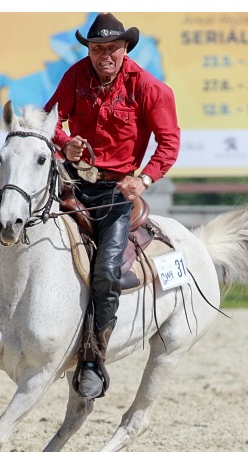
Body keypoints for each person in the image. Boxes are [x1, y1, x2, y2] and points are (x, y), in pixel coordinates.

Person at [43, 12, 180, 399]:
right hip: (72, 183)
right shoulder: (74, 76)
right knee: (25, 232)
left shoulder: (149, 88)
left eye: (111, 48)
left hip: (116, 195)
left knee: (105, 271)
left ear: (125, 49)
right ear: (88, 49)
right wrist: (61, 140)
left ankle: (92, 359)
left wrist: (145, 179)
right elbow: (50, 119)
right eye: (97, 48)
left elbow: (169, 143)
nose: (104, 55)